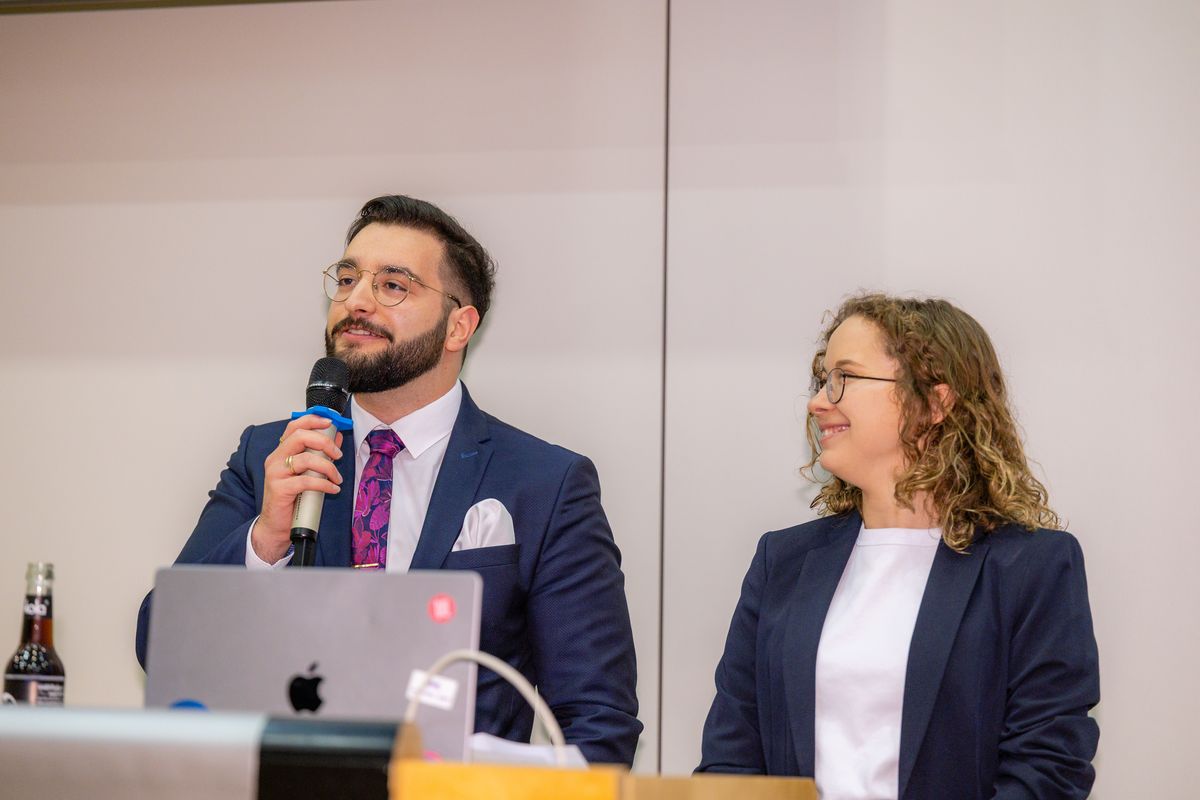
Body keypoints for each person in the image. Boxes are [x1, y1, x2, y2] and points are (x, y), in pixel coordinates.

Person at [135, 195, 641, 766]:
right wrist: (264, 540)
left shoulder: (545, 483)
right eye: (347, 279)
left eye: (393, 285)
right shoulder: (273, 456)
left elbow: (598, 723)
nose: (356, 301)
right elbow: (161, 645)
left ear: (458, 326)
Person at [697, 294, 1099, 798]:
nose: (818, 402)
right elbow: (731, 760)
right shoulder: (782, 562)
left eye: (844, 377)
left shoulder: (1032, 567)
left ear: (934, 402)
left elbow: (1047, 769)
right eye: (822, 380)